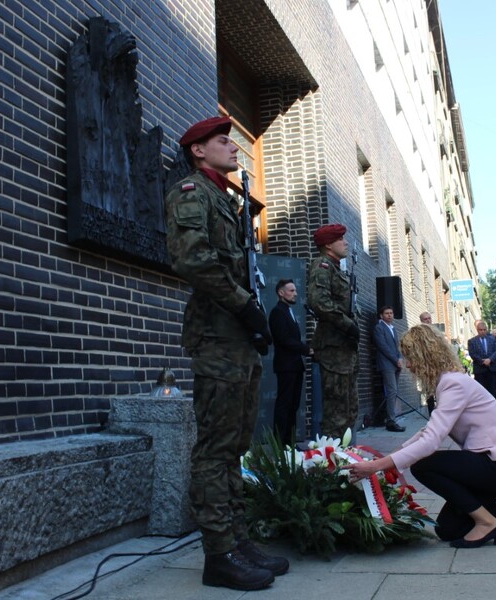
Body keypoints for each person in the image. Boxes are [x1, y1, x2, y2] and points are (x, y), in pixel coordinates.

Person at [164, 116, 286, 591]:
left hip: (234, 336)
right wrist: (244, 307)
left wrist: (251, 317)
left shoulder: (223, 197)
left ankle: (238, 540)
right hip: (216, 337)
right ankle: (219, 554)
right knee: (216, 449)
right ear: (198, 150)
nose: (235, 148)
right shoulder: (191, 192)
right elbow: (193, 259)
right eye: (223, 141)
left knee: (235, 446)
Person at [344, 324, 496, 547]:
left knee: (423, 465)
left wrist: (376, 467)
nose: (408, 365)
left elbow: (430, 441)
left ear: (425, 356)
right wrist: (389, 459)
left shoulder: (453, 383)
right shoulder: (449, 381)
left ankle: (486, 522)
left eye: (410, 357)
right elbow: (428, 431)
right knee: (449, 528)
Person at [307, 224, 360, 439]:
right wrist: (347, 324)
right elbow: (319, 301)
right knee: (337, 411)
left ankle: (346, 453)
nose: (345, 243)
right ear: (328, 244)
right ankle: (333, 455)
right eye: (340, 239)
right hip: (333, 348)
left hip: (344, 348)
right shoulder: (322, 266)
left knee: (349, 408)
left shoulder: (336, 268)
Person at [269, 279, 312, 446]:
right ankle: (281, 444)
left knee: (293, 405)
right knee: (284, 404)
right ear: (281, 293)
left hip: (295, 365)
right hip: (286, 366)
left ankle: (290, 443)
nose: (295, 294)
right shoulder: (277, 312)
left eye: (295, 290)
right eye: (291, 290)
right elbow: (284, 339)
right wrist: (306, 350)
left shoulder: (288, 311)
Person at [374, 305, 406, 432]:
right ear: (381, 315)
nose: (389, 315)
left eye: (391, 313)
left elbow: (397, 346)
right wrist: (395, 359)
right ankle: (391, 421)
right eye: (387, 313)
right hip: (387, 364)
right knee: (392, 391)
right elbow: (383, 347)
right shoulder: (379, 328)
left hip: (396, 364)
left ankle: (391, 418)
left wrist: (400, 358)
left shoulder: (393, 328)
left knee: (394, 391)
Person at [468, 320, 496, 400]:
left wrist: (490, 360)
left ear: (486, 330)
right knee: (481, 393)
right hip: (480, 370)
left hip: (491, 369)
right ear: (477, 330)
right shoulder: (472, 341)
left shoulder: (492, 339)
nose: (482, 331)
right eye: (480, 330)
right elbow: (473, 354)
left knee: (493, 392)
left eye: (484, 330)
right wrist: (483, 361)